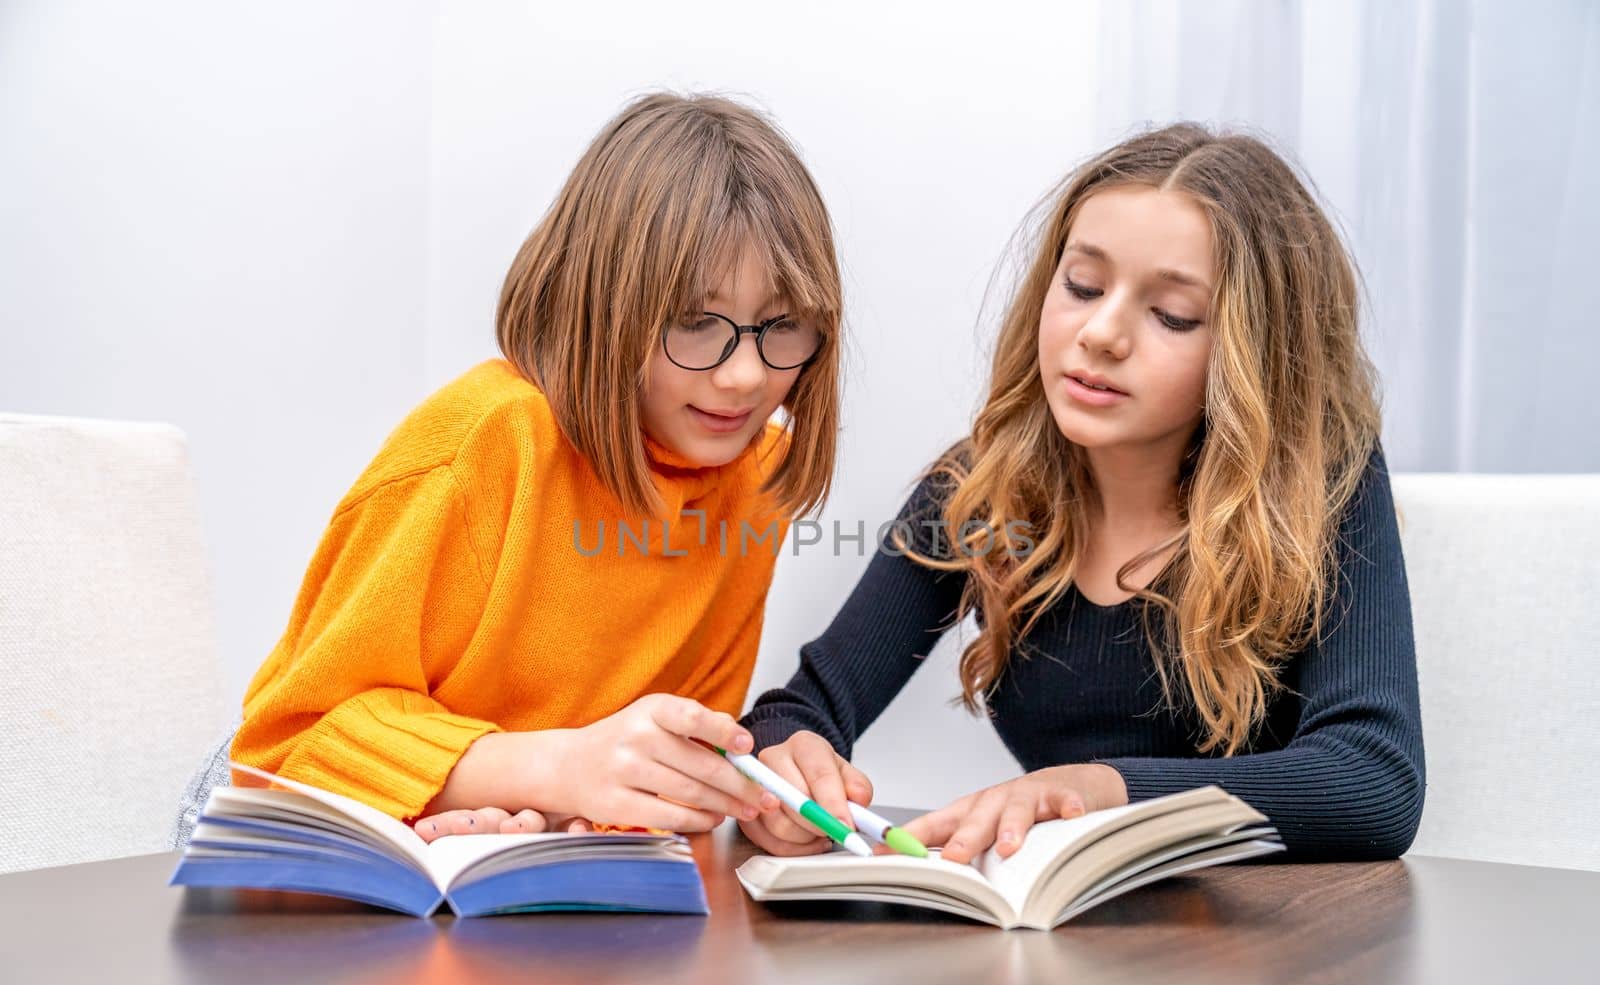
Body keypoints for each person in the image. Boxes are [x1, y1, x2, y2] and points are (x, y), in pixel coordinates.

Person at [738, 123, 1425, 864]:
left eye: (1172, 315)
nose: (1101, 332)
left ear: (1251, 351)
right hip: (1062, 943)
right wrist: (787, 769)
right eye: (1084, 286)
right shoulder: (980, 491)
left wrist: (1103, 790)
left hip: (1271, 954)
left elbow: (1374, 780)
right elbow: (803, 707)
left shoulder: (1322, 480)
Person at [225, 92, 845, 842]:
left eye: (781, 326)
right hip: (287, 836)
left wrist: (742, 797)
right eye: (694, 320)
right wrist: (550, 768)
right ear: (600, 301)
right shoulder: (482, 444)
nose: (746, 374)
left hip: (512, 871)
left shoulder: (756, 477)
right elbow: (285, 747)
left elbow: (663, 774)